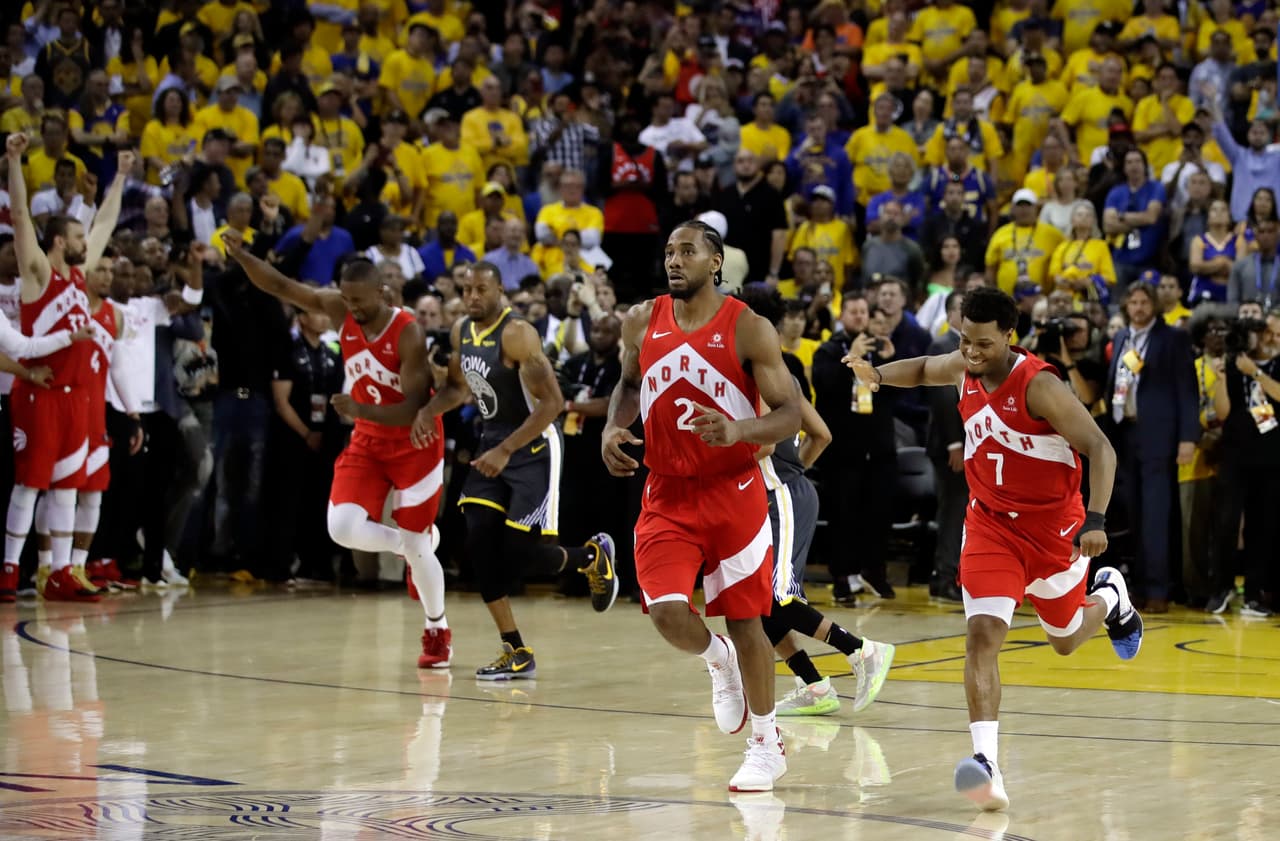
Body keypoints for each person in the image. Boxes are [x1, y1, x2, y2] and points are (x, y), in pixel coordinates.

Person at [844, 286, 1141, 812]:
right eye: (965, 340)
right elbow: (922, 369)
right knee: (982, 636)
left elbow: (1100, 448)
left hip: (1055, 532)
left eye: (983, 343)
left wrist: (1096, 519)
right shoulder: (964, 364)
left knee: (1067, 640)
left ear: (1009, 336)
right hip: (989, 528)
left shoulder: (1040, 385)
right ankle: (986, 761)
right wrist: (879, 375)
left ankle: (1112, 597)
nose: (971, 352)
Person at [600, 220, 804, 791]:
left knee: (748, 622)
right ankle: (718, 660)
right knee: (666, 611)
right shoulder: (641, 319)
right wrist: (612, 430)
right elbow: (626, 386)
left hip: (732, 491)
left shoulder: (750, 328)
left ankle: (766, 744)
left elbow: (790, 413)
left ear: (716, 262)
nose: (674, 260)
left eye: (687, 251)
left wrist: (739, 429)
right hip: (665, 491)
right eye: (668, 251)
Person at [222, 235, 453, 669]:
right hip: (368, 438)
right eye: (347, 299)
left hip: (414, 441)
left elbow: (412, 408)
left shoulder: (408, 334)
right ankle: (408, 545)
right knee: (342, 527)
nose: (355, 308)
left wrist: (359, 407)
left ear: (382, 292)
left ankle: (437, 630)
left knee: (422, 549)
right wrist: (243, 257)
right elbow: (281, 286)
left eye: (361, 300)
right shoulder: (337, 308)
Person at [410, 262, 619, 679]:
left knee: (520, 555)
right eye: (466, 289)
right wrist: (428, 410)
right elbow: (457, 387)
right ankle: (516, 650)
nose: (472, 297)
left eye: (481, 289)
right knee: (480, 545)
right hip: (493, 441)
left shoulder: (517, 334)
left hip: (535, 447)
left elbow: (552, 404)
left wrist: (507, 450)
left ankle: (591, 557)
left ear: (500, 291)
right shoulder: (461, 333)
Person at [2, 136, 131, 602]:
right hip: (40, 392)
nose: (86, 243)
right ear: (59, 241)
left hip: (77, 396)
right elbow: (19, 218)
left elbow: (108, 220)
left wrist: (120, 176)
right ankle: (9, 570)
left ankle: (60, 573)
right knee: (29, 484)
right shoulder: (38, 272)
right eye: (79, 237)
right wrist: (14, 162)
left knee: (65, 489)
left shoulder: (79, 275)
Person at [1103, 281, 1199, 613]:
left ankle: (1159, 588)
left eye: (1146, 301)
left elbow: (1188, 389)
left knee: (1156, 515)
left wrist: (1188, 437)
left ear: (1154, 306)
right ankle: (1140, 588)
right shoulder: (1120, 338)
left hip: (1159, 436)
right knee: (1134, 515)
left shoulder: (1172, 338)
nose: (1140, 307)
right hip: (1125, 434)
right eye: (1134, 302)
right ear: (1126, 306)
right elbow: (1115, 383)